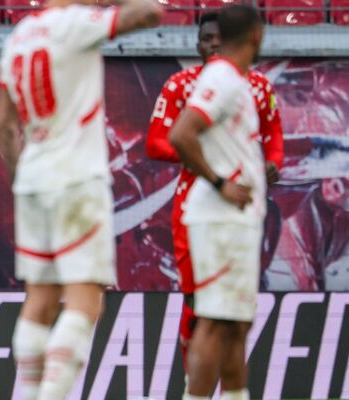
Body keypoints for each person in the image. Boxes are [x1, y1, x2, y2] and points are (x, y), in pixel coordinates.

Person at [0, 0, 163, 397]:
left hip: (34, 178)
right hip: (76, 177)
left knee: (39, 301)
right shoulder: (76, 23)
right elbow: (151, 12)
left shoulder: (18, 37)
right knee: (85, 302)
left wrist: (22, 178)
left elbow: (3, 125)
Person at [145, 10, 283, 375]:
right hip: (202, 205)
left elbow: (273, 138)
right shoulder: (185, 83)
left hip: (239, 209)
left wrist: (270, 163)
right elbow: (159, 142)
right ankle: (195, 384)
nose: (213, 45)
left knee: (235, 317)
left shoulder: (257, 86)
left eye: (218, 38)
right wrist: (213, 166)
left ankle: (227, 389)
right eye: (206, 39)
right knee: (203, 309)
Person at [167, 5, 266, 400]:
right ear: (257, 35)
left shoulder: (232, 79)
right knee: (213, 322)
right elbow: (182, 134)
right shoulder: (223, 77)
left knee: (235, 325)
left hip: (235, 222)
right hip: (221, 221)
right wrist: (220, 182)